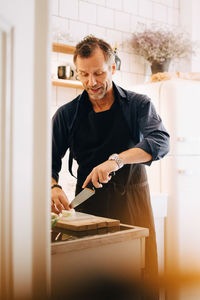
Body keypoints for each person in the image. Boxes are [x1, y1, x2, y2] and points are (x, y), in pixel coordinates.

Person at [51, 35, 170, 281]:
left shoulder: (138, 105)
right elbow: (46, 158)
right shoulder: (66, 114)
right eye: (83, 74)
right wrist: (52, 186)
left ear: (112, 68)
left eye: (99, 73)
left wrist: (116, 160)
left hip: (133, 205)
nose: (91, 82)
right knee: (90, 281)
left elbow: (160, 141)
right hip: (88, 208)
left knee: (137, 280)